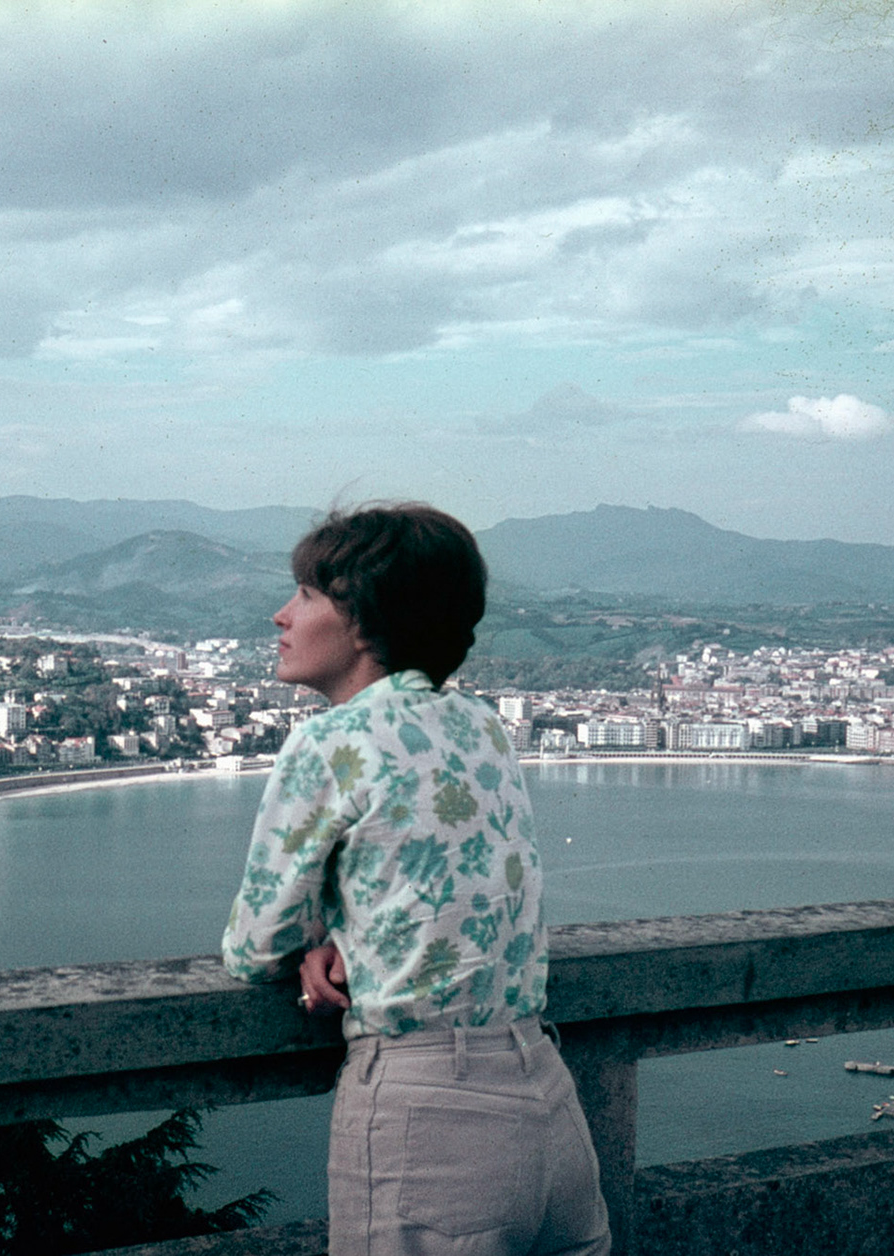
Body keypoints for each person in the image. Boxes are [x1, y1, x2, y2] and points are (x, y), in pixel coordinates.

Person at [222, 503, 610, 1256]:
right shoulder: (482, 723)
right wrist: (350, 932)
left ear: (364, 624)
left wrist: (315, 940)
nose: (281, 615)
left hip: (429, 1122)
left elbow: (254, 946)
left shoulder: (330, 742)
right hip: (548, 1098)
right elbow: (438, 881)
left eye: (305, 595)